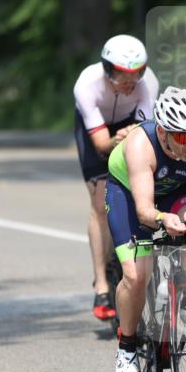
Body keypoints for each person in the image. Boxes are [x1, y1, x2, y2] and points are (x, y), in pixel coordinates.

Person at [105, 87, 186, 372]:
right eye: (182, 137)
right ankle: (127, 348)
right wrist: (162, 219)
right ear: (162, 132)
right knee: (136, 275)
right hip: (130, 193)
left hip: (176, 192)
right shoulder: (140, 146)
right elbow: (145, 210)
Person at [74, 34, 159, 322]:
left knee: (142, 184)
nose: (130, 81)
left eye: (137, 74)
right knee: (100, 203)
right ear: (108, 70)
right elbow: (100, 145)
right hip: (99, 132)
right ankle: (101, 283)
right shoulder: (87, 85)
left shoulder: (148, 85)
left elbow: (148, 134)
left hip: (130, 124)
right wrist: (117, 139)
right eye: (123, 75)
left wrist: (133, 137)